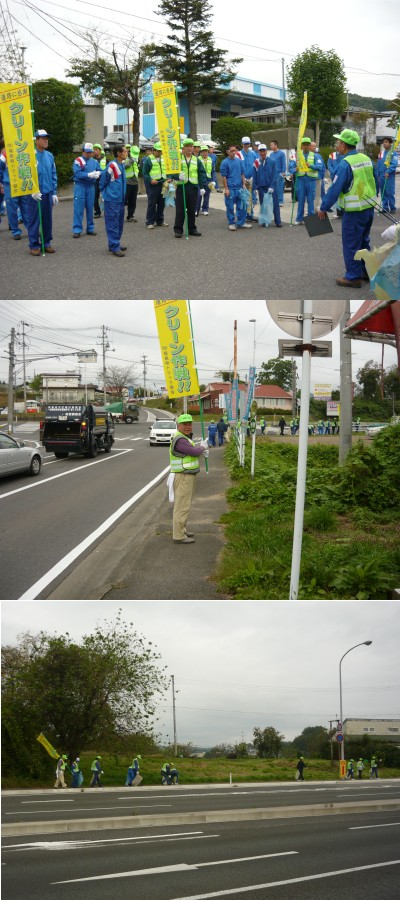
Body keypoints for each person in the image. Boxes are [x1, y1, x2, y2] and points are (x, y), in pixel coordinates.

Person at [318, 129, 377, 288]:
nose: (337, 144)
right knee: (364, 241)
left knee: (351, 243)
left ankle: (353, 277)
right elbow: (375, 180)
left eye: (338, 142)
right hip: (369, 208)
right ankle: (365, 272)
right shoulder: (366, 159)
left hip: (354, 211)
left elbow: (335, 188)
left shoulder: (345, 163)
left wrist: (323, 207)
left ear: (344, 145)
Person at [170, 413, 208, 543]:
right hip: (183, 476)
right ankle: (179, 536)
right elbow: (194, 452)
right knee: (181, 507)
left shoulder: (184, 438)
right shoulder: (180, 439)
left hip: (186, 475)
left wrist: (201, 451)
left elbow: (191, 455)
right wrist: (203, 447)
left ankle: (182, 529)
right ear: (178, 425)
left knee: (184, 505)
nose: (188, 426)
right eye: (184, 424)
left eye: (189, 424)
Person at [26, 129, 58, 256]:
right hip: (34, 194)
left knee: (47, 219)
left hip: (48, 192)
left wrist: (54, 192)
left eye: (47, 138)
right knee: (34, 219)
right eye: (43, 138)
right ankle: (34, 245)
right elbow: (26, 175)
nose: (46, 140)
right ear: (36, 140)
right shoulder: (30, 155)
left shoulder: (49, 155)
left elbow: (53, 173)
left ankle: (46, 243)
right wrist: (31, 190)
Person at [172, 139, 211, 238]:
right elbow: (171, 172)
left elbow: (201, 173)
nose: (190, 148)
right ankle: (178, 230)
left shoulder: (196, 160)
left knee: (192, 209)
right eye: (187, 146)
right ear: (183, 148)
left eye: (191, 146)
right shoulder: (178, 159)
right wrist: (177, 176)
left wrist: (202, 186)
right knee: (180, 209)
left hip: (193, 187)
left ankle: (192, 229)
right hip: (181, 186)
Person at [99, 144, 127, 257]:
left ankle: (115, 243)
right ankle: (114, 246)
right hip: (112, 199)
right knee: (112, 223)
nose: (127, 153)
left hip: (120, 199)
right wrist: (104, 193)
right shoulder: (112, 165)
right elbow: (103, 180)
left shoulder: (121, 165)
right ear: (119, 153)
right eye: (125, 151)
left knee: (119, 222)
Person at [289, 137, 323, 224]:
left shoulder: (315, 156)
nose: (306, 146)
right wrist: (294, 170)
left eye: (308, 144)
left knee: (311, 200)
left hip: (311, 181)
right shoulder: (296, 156)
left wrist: (311, 165)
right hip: (300, 180)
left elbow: (320, 167)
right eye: (304, 144)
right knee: (301, 200)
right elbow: (290, 167)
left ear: (310, 145)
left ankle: (311, 220)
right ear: (301, 146)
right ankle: (299, 219)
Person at [0, 146, 30, 240]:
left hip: (23, 183)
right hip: (10, 185)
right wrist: (1, 182)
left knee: (26, 208)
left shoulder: (24, 151)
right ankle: (15, 231)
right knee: (12, 209)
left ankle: (31, 229)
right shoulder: (5, 154)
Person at [220, 146, 252, 232]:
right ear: (228, 151)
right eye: (232, 151)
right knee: (230, 206)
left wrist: (244, 184)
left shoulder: (239, 161)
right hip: (230, 187)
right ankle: (231, 223)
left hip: (239, 187)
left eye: (235, 150)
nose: (233, 152)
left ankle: (241, 222)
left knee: (242, 206)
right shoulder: (225, 162)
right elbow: (224, 177)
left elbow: (242, 173)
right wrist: (226, 189)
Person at [72, 142, 100, 238]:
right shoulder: (78, 161)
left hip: (91, 187)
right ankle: (77, 229)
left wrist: (98, 173)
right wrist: (88, 175)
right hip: (80, 186)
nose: (89, 154)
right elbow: (77, 173)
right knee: (78, 209)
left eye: (90, 152)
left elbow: (100, 170)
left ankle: (90, 228)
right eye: (87, 152)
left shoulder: (94, 162)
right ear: (83, 152)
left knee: (90, 209)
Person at [252, 145, 282, 227]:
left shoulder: (272, 161)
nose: (262, 153)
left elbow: (275, 174)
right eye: (260, 151)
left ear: (266, 151)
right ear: (258, 152)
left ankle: (278, 221)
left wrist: (272, 186)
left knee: (275, 204)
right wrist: (255, 187)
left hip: (271, 186)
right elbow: (254, 175)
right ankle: (264, 221)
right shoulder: (256, 162)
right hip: (261, 186)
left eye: (263, 151)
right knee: (263, 204)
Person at [142, 143, 170, 229]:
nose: (160, 153)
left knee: (162, 203)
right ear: (154, 151)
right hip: (153, 185)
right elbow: (145, 172)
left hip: (163, 184)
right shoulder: (148, 159)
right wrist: (150, 180)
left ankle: (160, 220)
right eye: (158, 151)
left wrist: (169, 178)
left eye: (161, 151)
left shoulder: (164, 159)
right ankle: (149, 222)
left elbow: (167, 170)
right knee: (152, 203)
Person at [237, 137, 257, 219]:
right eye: (245, 144)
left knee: (250, 197)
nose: (246, 145)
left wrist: (253, 176)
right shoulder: (239, 154)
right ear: (242, 144)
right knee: (242, 197)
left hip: (251, 178)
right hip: (242, 179)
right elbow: (238, 167)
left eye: (248, 144)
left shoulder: (253, 154)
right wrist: (242, 178)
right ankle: (241, 215)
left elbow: (255, 166)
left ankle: (249, 214)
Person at [376, 137, 398, 212]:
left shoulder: (393, 153)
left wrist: (388, 171)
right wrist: (377, 174)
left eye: (386, 142)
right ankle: (384, 208)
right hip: (381, 175)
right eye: (383, 142)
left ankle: (392, 207)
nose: (384, 143)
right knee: (383, 192)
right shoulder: (381, 153)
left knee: (390, 192)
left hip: (389, 176)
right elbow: (378, 164)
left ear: (390, 143)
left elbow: (394, 164)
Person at [123, 144, 140, 222]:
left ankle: (130, 216)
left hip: (135, 182)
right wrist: (130, 161)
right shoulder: (124, 157)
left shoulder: (136, 158)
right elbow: (122, 166)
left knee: (133, 201)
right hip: (127, 182)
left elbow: (136, 169)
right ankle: (118, 215)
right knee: (123, 200)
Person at [196, 145, 213, 216]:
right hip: (200, 180)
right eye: (204, 151)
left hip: (208, 179)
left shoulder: (210, 159)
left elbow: (213, 170)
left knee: (207, 195)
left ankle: (205, 209)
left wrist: (213, 180)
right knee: (199, 195)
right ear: (201, 152)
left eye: (206, 151)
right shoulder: (197, 159)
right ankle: (196, 209)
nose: (205, 153)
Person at [269, 140, 287, 206]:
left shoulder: (281, 153)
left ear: (276, 145)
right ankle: (274, 201)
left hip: (279, 173)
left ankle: (280, 201)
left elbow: (283, 163)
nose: (270, 146)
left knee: (279, 188)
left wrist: (283, 172)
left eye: (271, 145)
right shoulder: (271, 154)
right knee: (273, 188)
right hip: (273, 173)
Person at [93, 143, 106, 218]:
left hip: (104, 180)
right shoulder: (92, 160)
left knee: (105, 197)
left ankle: (106, 211)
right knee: (95, 197)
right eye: (94, 150)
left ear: (100, 151)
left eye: (96, 149)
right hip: (95, 181)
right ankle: (97, 212)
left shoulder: (105, 159)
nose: (95, 151)